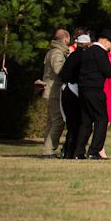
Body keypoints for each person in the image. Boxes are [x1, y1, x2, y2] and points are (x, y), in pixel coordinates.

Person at [73, 29, 111, 160]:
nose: (110, 48)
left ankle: (78, 152)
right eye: (110, 44)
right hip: (95, 89)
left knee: (86, 121)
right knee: (102, 119)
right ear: (105, 41)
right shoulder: (100, 52)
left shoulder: (88, 51)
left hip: (83, 89)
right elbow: (107, 72)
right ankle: (94, 151)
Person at [41, 29, 70, 159]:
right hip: (53, 91)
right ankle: (48, 151)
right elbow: (59, 70)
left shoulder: (52, 51)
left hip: (49, 91)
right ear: (65, 39)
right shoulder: (58, 53)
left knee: (51, 122)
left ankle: (47, 150)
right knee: (58, 121)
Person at [60, 32, 89, 159]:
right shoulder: (84, 58)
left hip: (65, 89)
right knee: (77, 122)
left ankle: (67, 150)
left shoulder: (72, 56)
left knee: (70, 123)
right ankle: (73, 150)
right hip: (75, 90)